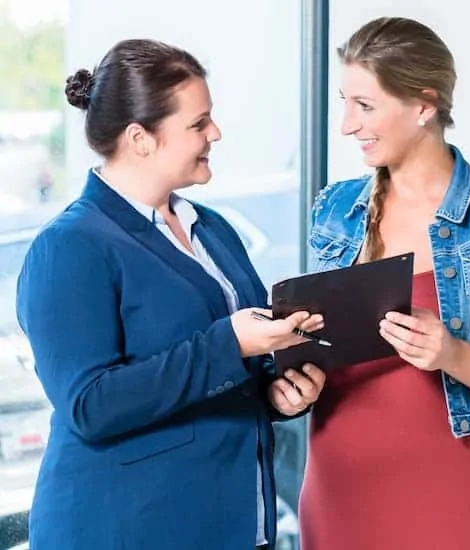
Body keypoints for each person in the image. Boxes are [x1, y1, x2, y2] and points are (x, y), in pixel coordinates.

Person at [15, 39, 327, 550]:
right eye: (199, 123)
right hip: (125, 529)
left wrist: (273, 393)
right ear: (140, 138)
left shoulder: (214, 230)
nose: (215, 133)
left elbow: (221, 366)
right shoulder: (70, 247)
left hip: (228, 523)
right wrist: (231, 344)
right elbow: (90, 406)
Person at [299, 17, 470, 550]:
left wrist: (451, 354)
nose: (347, 125)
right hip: (339, 487)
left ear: (424, 105)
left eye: (364, 106)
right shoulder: (333, 210)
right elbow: (310, 350)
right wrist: (287, 381)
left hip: (449, 487)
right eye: (344, 102)